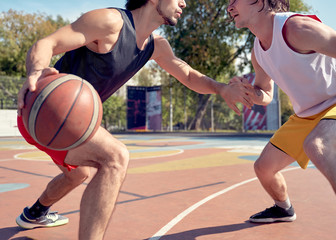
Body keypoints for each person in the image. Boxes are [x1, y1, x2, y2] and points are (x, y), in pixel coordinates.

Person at [15, 0, 249, 239]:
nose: (184, 3)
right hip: (44, 112)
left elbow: (188, 75)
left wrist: (221, 88)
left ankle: (34, 213)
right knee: (115, 157)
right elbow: (47, 43)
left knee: (78, 174)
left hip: (70, 128)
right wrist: (36, 71)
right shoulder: (110, 22)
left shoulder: (155, 46)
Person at [227, 0, 336, 223]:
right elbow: (265, 93)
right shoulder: (258, 51)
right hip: (307, 113)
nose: (229, 7)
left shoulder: (298, 28)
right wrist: (251, 93)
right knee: (263, 168)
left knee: (319, 145)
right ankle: (283, 208)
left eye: (234, 0)